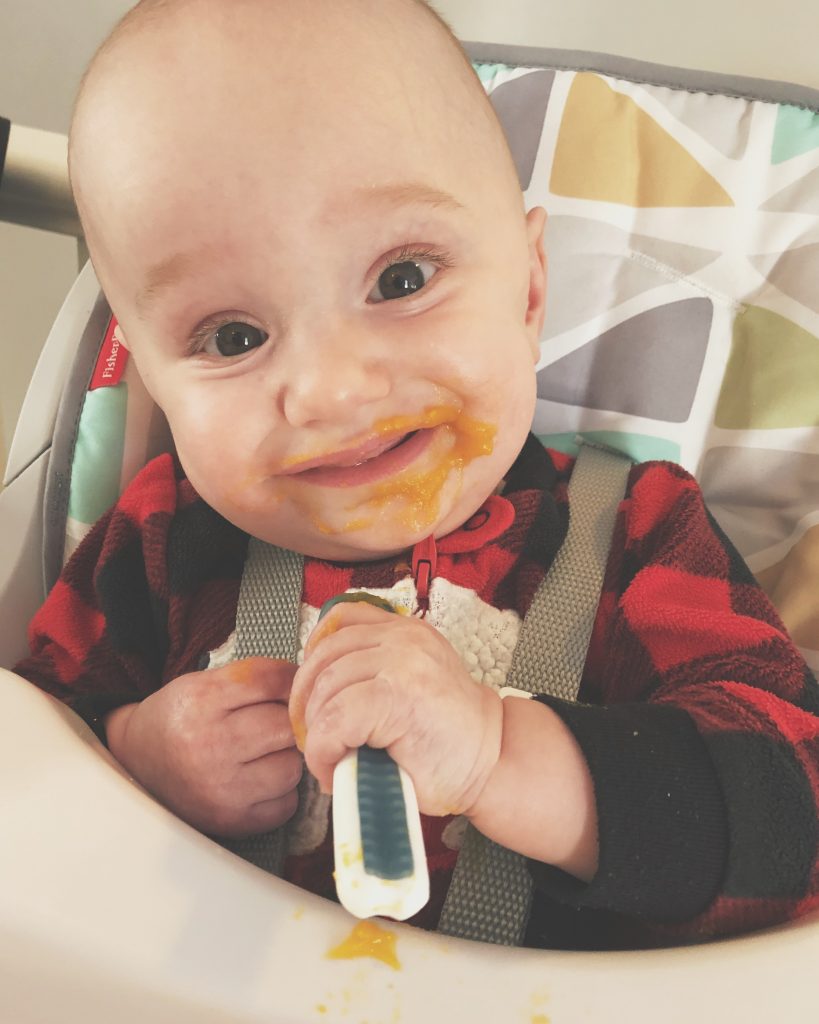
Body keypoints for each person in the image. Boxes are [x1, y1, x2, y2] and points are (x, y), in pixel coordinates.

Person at [14, 0, 819, 950]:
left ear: (525, 287)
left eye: (401, 280)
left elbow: (788, 818)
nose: (329, 392)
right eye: (232, 338)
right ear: (150, 375)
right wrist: (137, 758)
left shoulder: (633, 533)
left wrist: (501, 757)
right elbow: (24, 779)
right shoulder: (157, 540)